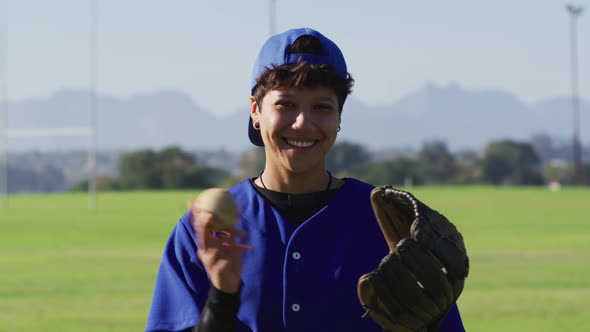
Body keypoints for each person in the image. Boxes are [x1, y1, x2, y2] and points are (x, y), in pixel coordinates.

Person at [145, 27, 466, 332]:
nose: (302, 123)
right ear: (255, 110)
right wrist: (222, 296)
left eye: (321, 106)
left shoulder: (388, 223)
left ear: (340, 116)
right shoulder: (206, 230)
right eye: (285, 104)